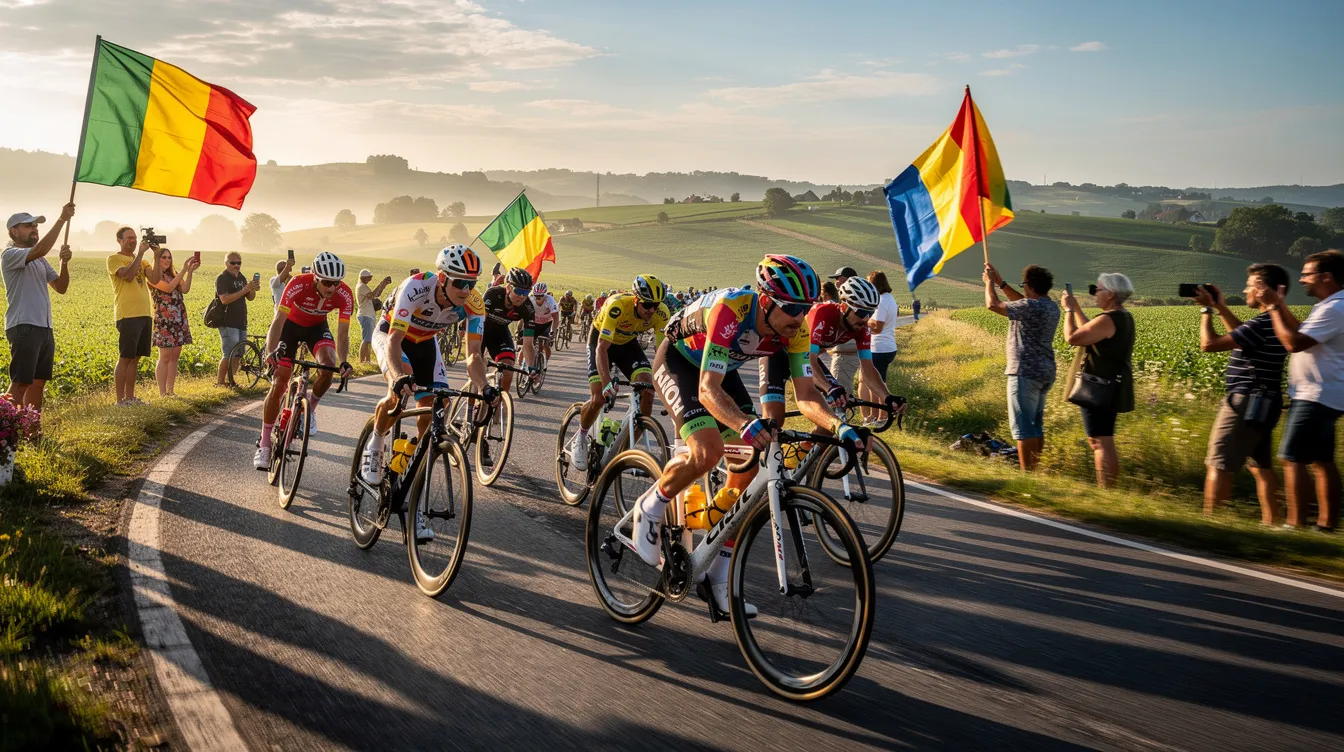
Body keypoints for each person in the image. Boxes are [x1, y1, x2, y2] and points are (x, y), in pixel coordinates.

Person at [639, 255, 861, 616]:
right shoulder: (733, 309)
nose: (799, 318)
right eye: (791, 308)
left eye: (805, 308)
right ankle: (648, 510)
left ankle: (718, 574)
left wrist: (840, 426)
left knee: (747, 472)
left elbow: (806, 396)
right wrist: (743, 422)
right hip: (679, 361)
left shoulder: (796, 329)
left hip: (720, 367)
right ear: (766, 300)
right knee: (708, 452)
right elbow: (707, 389)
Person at [360, 246, 497, 539]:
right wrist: (398, 377)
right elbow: (395, 341)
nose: (466, 289)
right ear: (443, 277)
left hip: (426, 345)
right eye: (460, 282)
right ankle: (376, 444)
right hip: (392, 336)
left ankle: (412, 483)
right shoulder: (416, 288)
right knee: (399, 395)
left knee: (440, 407)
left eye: (472, 283)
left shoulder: (474, 304)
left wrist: (485, 387)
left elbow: (473, 355)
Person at [1194, 265, 1290, 525]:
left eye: (1250, 285)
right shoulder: (1276, 321)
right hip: (1266, 400)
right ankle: (1272, 524)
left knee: (1218, 463)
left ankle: (1212, 526)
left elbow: (1209, 344)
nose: (1245, 290)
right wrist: (1222, 307)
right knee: (1260, 466)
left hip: (1245, 400)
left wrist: (1206, 310)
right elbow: (1241, 335)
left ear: (1261, 289)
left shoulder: (1261, 323)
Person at [1260, 250, 1344, 532]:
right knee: (1322, 461)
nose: (1302, 279)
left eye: (1308, 274)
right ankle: (1326, 526)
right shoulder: (1331, 305)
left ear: (1326, 277)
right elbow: (1305, 333)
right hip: (1325, 392)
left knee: (1291, 457)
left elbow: (1294, 343)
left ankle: (1295, 525)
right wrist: (1281, 306)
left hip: (1315, 394)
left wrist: (1272, 308)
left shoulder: (1335, 308)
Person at [253, 252, 355, 469]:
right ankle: (264, 442)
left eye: (336, 283)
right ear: (315, 278)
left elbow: (343, 333)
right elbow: (278, 321)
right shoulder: (298, 284)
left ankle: (311, 410)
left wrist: (344, 361)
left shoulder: (344, 294)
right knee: (280, 379)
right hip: (289, 328)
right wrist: (270, 352)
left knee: (328, 365)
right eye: (326, 282)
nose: (331, 288)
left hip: (317, 329)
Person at [565, 275, 670, 472]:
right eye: (647, 305)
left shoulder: (660, 314)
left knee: (647, 391)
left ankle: (621, 451)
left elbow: (660, 353)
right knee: (599, 398)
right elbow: (602, 349)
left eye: (656, 305)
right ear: (636, 300)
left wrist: (667, 384)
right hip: (601, 342)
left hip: (628, 345)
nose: (652, 310)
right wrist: (606, 382)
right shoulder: (618, 306)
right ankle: (580, 437)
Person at [761, 276, 892, 432]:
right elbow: (810, 360)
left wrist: (888, 398)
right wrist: (829, 388)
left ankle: (807, 452)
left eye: (870, 313)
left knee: (836, 412)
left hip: (802, 357)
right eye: (862, 312)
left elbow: (869, 371)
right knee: (774, 421)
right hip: (778, 353)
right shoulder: (822, 314)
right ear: (844, 307)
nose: (865, 319)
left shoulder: (860, 328)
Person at [984, 263, 1061, 471]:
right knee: (1035, 425)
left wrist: (989, 283)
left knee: (1024, 428)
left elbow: (993, 305)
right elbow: (1021, 301)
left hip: (1024, 372)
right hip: (1044, 371)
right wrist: (1002, 283)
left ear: (1030, 286)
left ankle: (1027, 475)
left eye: (1024, 285)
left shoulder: (1031, 307)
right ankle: (1035, 469)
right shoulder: (1050, 306)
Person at [1062, 273, 1135, 488]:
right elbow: (1090, 331)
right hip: (1109, 385)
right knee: (1102, 438)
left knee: (1099, 442)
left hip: (1099, 387)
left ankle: (1107, 490)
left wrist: (1067, 311)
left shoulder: (1109, 319)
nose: (1094, 293)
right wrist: (1076, 308)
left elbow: (1073, 338)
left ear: (1111, 294)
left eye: (1098, 289)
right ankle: (1107, 489)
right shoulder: (1122, 316)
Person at [3, 205, 74, 419]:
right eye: (29, 226)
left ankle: (32, 431)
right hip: (24, 325)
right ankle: (6, 436)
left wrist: (64, 263)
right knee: (21, 381)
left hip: (44, 327)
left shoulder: (40, 260)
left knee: (37, 382)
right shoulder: (10, 254)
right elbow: (41, 249)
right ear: (14, 231)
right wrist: (62, 219)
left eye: (36, 225)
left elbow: (60, 287)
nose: (35, 229)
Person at [108, 226, 163, 405]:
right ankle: (119, 400)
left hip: (144, 314)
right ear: (120, 240)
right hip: (127, 314)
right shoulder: (114, 259)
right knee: (125, 357)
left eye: (134, 238)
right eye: (129, 238)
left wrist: (156, 256)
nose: (132, 240)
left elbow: (154, 279)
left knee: (135, 358)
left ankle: (130, 398)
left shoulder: (144, 261)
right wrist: (139, 254)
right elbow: (128, 276)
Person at [480, 267, 537, 405]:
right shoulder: (492, 295)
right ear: (508, 288)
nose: (522, 296)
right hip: (482, 330)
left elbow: (528, 344)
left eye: (526, 292)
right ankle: (471, 410)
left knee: (508, 368)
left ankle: (499, 403)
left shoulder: (528, 308)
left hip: (500, 333)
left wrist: (531, 367)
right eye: (518, 291)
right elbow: (479, 322)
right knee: (478, 367)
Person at [148, 248, 200, 397]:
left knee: (175, 355)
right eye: (163, 257)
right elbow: (169, 288)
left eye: (169, 258)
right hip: (164, 319)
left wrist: (189, 272)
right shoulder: (153, 276)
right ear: (157, 259)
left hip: (178, 317)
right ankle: (162, 393)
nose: (166, 260)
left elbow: (184, 289)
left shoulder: (174, 274)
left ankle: (171, 391)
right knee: (164, 355)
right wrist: (184, 269)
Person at [215, 252, 258, 385]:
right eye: (233, 263)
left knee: (239, 354)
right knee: (229, 353)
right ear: (226, 263)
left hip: (241, 321)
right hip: (228, 321)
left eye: (238, 263)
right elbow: (224, 300)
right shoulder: (222, 278)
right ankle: (220, 382)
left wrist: (252, 289)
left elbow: (250, 298)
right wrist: (244, 290)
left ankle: (231, 380)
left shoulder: (241, 277)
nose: (236, 265)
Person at [866, 271, 901, 425]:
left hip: (878, 347)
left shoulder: (880, 301)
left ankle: (880, 417)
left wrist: (864, 320)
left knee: (876, 384)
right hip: (888, 346)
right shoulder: (890, 299)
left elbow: (877, 327)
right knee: (880, 381)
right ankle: (879, 415)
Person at [824, 266, 861, 396]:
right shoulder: (859, 298)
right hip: (848, 352)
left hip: (845, 355)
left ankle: (841, 414)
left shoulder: (848, 300)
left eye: (837, 278)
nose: (836, 282)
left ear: (846, 279)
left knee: (840, 390)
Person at [355, 269, 393, 364]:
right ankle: (363, 361)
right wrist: (381, 284)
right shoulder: (362, 286)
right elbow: (373, 295)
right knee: (366, 339)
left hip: (368, 315)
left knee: (368, 339)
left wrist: (383, 285)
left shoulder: (363, 286)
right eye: (369, 277)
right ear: (364, 277)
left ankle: (367, 361)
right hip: (365, 315)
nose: (370, 279)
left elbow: (376, 294)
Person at [526, 281, 560, 368]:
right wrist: (519, 328)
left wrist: (553, 332)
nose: (538, 298)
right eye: (536, 296)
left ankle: (545, 363)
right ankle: (523, 364)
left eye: (540, 296)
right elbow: (524, 316)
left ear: (545, 295)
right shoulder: (530, 299)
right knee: (527, 344)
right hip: (534, 323)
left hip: (547, 324)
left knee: (546, 346)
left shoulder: (550, 301)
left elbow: (556, 318)